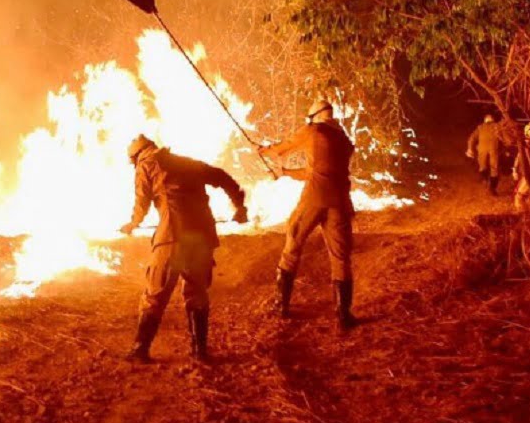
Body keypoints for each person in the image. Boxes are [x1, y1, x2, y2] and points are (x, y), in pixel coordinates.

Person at [120, 134, 248, 362]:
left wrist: (133, 223)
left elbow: (142, 201)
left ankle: (140, 350)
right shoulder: (187, 162)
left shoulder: (145, 165)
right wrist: (239, 206)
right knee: (197, 293)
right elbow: (223, 177)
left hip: (172, 239)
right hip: (201, 239)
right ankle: (200, 352)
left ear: (136, 156)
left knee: (155, 293)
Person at [259, 98, 356, 331]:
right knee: (340, 257)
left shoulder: (313, 130)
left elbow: (283, 148)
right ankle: (343, 315)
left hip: (315, 199)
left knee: (293, 239)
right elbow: (315, 171)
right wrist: (284, 172)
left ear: (314, 117)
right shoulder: (343, 140)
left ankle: (281, 304)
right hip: (340, 202)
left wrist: (265, 150)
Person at [466, 114, 502, 195]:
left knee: (484, 168)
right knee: (493, 169)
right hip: (492, 151)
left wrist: (470, 148)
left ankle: (487, 184)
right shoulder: (496, 126)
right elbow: (503, 138)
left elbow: (471, 138)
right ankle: (491, 188)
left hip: (484, 151)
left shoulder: (481, 127)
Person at [513, 121, 530, 213]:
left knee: (521, 196)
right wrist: (514, 169)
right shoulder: (524, 144)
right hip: (529, 174)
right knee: (521, 195)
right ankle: (524, 213)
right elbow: (519, 157)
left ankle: (524, 214)